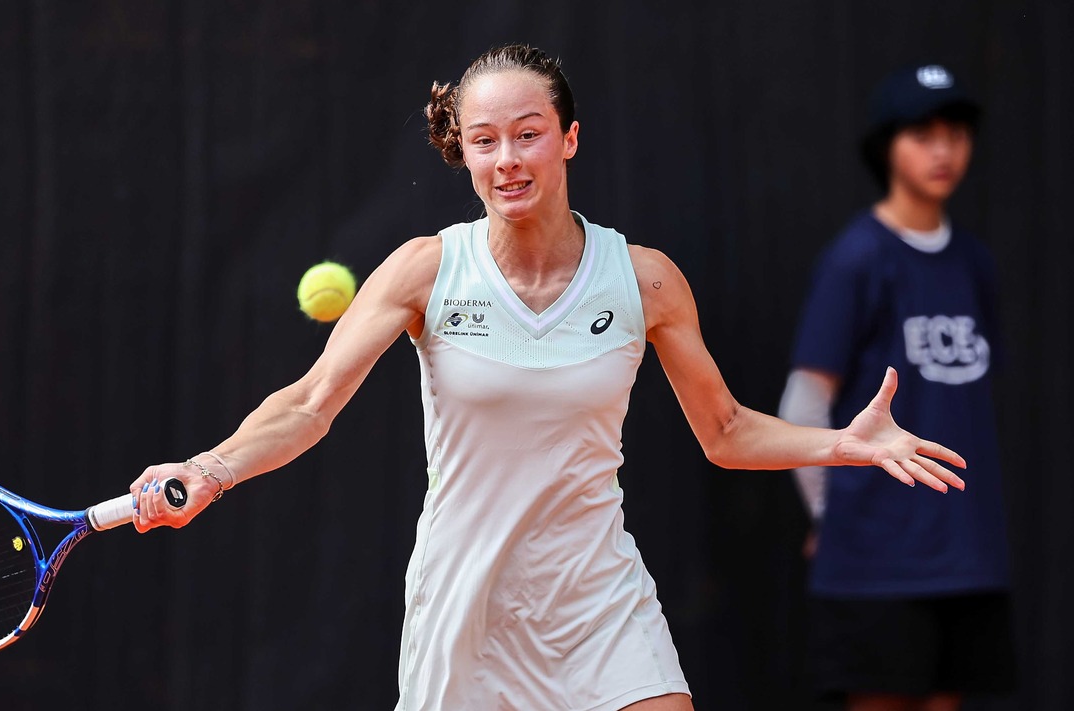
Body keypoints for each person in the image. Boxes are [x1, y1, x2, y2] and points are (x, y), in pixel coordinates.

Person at [132, 45, 966, 711]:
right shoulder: (426, 270)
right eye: (484, 140)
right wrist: (209, 469)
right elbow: (309, 405)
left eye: (528, 133)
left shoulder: (646, 280)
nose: (507, 160)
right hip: (465, 603)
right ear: (462, 151)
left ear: (568, 138)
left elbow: (728, 431)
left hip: (595, 593)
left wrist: (846, 444)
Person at [779, 64, 1015, 711]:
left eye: (956, 133)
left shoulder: (973, 262)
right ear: (888, 145)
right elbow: (803, 401)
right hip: (878, 556)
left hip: (966, 551)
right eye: (923, 133)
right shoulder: (858, 257)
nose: (943, 150)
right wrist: (829, 511)